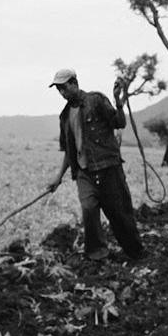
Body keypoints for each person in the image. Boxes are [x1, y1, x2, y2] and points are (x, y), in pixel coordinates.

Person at [47, 68, 144, 261]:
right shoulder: (64, 116)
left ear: (74, 83)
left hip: (108, 167)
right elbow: (69, 151)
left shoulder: (96, 100)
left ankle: (135, 252)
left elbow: (119, 123)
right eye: (59, 90)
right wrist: (58, 177)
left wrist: (118, 101)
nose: (63, 93)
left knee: (119, 212)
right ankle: (97, 254)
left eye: (65, 88)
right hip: (84, 172)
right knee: (89, 208)